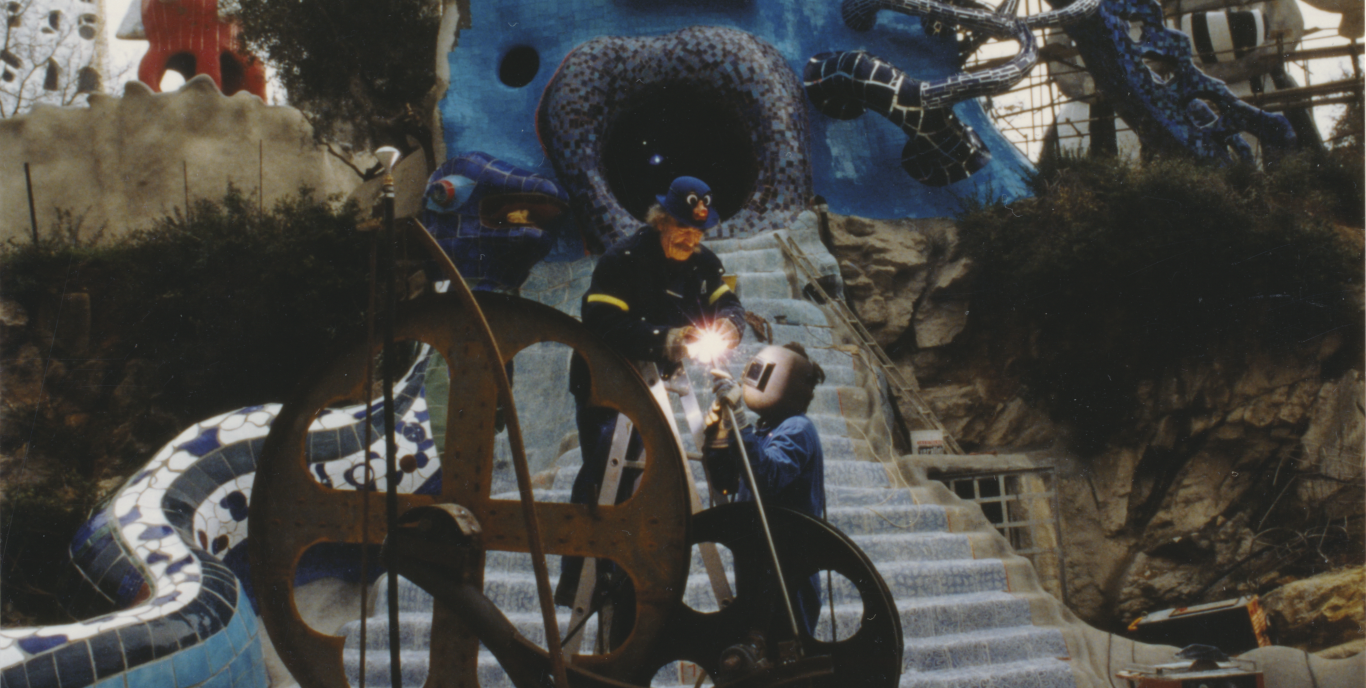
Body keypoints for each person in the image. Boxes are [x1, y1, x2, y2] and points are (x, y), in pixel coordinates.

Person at [557, 176, 746, 610]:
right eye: (682, 227)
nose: (690, 238)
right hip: (605, 378)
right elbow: (604, 326)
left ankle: (625, 574)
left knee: (644, 476)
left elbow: (728, 303)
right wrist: (669, 339)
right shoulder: (622, 260)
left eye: (698, 231)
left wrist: (729, 326)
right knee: (607, 461)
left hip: (656, 378)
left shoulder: (703, 262)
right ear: (661, 221)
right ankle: (579, 575)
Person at [706, 342, 827, 635]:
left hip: (787, 567)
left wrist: (739, 422)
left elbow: (767, 478)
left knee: (789, 648)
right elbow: (725, 483)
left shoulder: (797, 428)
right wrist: (719, 435)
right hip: (758, 559)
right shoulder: (764, 430)